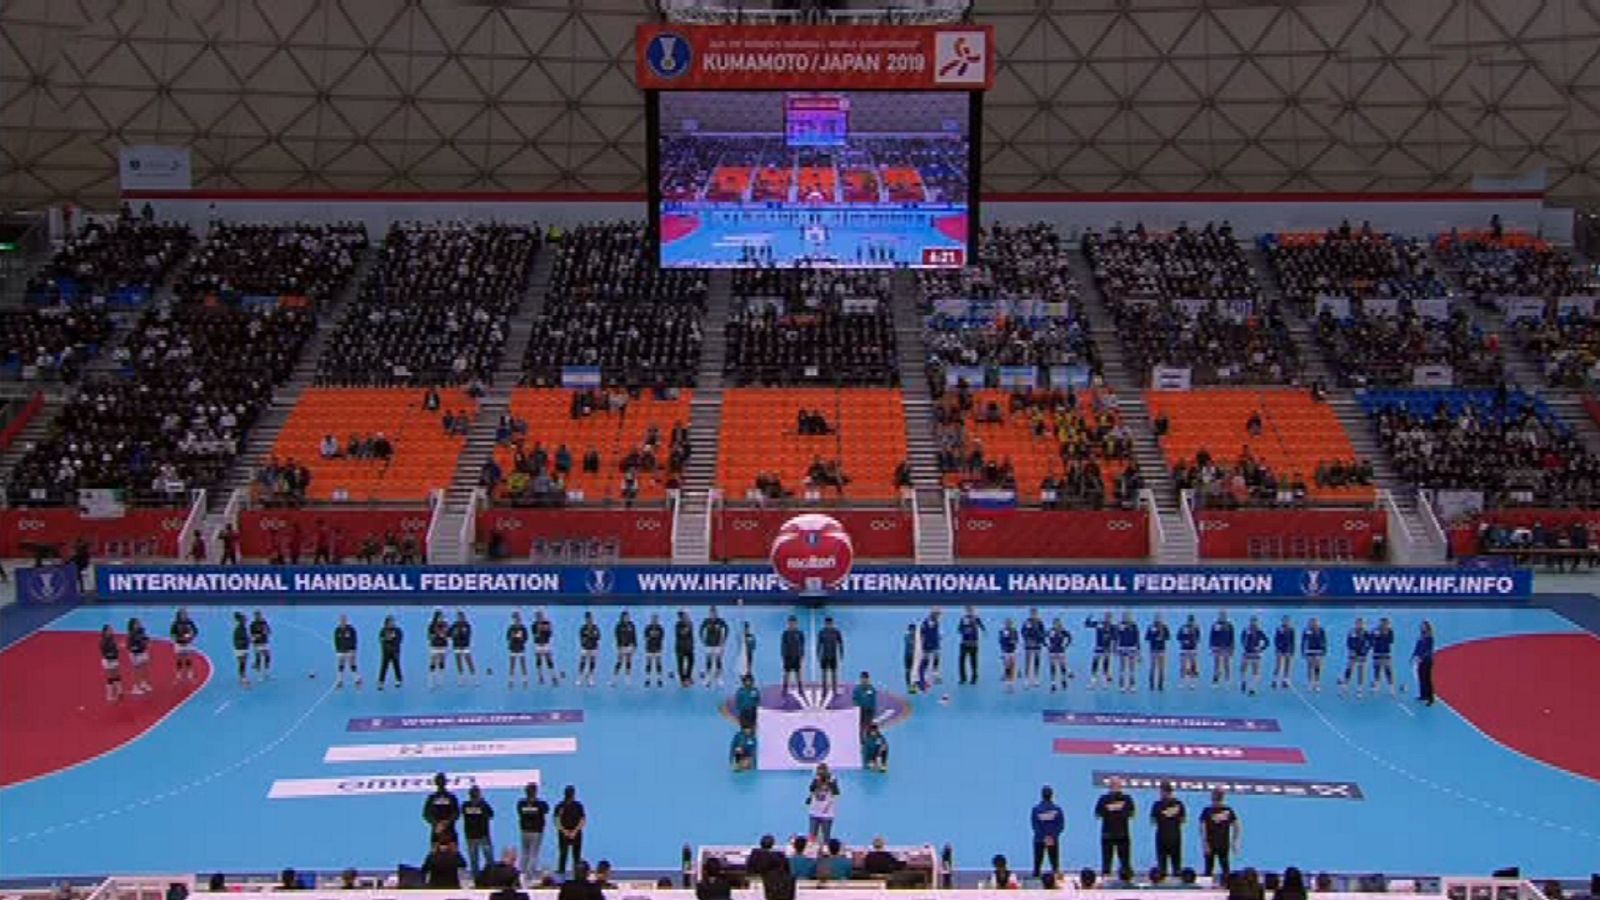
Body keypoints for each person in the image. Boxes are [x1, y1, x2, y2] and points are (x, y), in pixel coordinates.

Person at [1094, 776, 1135, 880]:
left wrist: (1118, 810)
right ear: (1109, 786)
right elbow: (1097, 813)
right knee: (1107, 860)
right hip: (1107, 834)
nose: (1115, 786)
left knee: (1125, 861)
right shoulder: (1103, 799)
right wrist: (1109, 809)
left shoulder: (1127, 798)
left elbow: (1132, 813)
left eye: (1117, 784)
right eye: (1113, 784)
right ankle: (1105, 878)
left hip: (1123, 834)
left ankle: (1126, 879)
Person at [1199, 789, 1240, 878]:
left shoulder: (1225, 810)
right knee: (1213, 869)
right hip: (1215, 843)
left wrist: (1234, 842)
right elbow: (1202, 828)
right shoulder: (1209, 810)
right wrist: (1234, 841)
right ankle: (1226, 883)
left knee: (1221, 869)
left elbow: (1237, 826)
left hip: (1218, 843)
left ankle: (1224, 882)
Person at [1151, 781, 1187, 878]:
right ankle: (1176, 879)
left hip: (1162, 836)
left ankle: (1163, 879)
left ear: (1164, 791)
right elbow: (1183, 820)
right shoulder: (1179, 804)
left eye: (1161, 791)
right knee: (1176, 865)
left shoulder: (1157, 805)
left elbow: (1153, 821)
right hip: (1174, 836)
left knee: (1163, 866)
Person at [515, 782, 549, 883]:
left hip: (525, 831)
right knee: (533, 854)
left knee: (525, 853)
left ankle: (522, 874)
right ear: (535, 792)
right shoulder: (540, 804)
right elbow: (546, 810)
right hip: (536, 832)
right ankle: (529, 876)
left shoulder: (521, 803)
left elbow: (520, 812)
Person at [462, 786, 496, 879]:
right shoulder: (483, 805)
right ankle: (492, 876)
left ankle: (476, 877)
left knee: (474, 859)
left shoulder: (465, 805)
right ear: (478, 794)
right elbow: (491, 814)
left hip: (471, 835)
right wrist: (483, 802)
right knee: (488, 857)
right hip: (483, 835)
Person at [1031, 785, 1065, 878]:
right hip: (1052, 839)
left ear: (1042, 795)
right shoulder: (1057, 809)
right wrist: (1051, 836)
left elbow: (1035, 825)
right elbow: (1060, 825)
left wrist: (1043, 837)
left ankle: (1036, 878)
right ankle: (1055, 878)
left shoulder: (1036, 809)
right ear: (1052, 795)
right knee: (1054, 863)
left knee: (1038, 863)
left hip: (1039, 839)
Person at [552, 785, 585, 875]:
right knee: (563, 854)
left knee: (576, 855)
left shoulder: (578, 806)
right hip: (565, 833)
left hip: (575, 833)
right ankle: (561, 872)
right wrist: (564, 831)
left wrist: (575, 831)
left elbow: (582, 820)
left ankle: (577, 873)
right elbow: (556, 820)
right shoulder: (560, 806)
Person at [423, 773, 462, 844]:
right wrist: (436, 823)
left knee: (453, 849)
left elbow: (457, 812)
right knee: (435, 849)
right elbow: (426, 814)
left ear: (445, 782)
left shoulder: (451, 797)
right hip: (437, 831)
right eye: (439, 781)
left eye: (442, 781)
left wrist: (447, 822)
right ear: (436, 783)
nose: (441, 783)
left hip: (450, 830)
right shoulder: (432, 798)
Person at [806, 764, 839, 843]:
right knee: (812, 836)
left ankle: (825, 848)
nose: (820, 773)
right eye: (819, 771)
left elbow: (836, 792)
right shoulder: (815, 780)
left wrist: (831, 781)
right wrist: (817, 780)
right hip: (814, 812)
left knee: (826, 838)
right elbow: (811, 788)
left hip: (827, 813)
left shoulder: (832, 781)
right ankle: (812, 849)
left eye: (822, 771)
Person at [1339, 617, 1371, 698]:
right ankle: (1345, 685)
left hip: (1362, 654)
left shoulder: (1367, 633)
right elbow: (1348, 642)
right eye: (1358, 623)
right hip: (1353, 653)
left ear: (1364, 624)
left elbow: (1370, 644)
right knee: (1349, 667)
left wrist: (1365, 652)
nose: (1360, 625)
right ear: (1356, 624)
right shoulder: (1351, 632)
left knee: (1360, 670)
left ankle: (1359, 688)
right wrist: (1351, 650)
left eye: (1361, 623)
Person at [700, 606, 728, 687]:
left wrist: (723, 641)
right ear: (709, 614)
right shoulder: (706, 621)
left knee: (718, 661)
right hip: (708, 645)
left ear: (717, 613)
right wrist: (703, 640)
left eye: (715, 613)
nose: (713, 615)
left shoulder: (721, 621)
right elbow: (701, 631)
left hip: (718, 645)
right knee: (709, 661)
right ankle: (708, 678)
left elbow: (726, 630)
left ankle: (719, 678)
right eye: (711, 613)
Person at [169, 609, 200, 684]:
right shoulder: (175, 623)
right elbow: (172, 634)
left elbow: (195, 631)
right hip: (179, 643)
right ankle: (178, 676)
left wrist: (191, 637)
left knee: (188, 659)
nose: (184, 615)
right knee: (179, 659)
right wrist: (178, 639)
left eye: (185, 614)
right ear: (179, 615)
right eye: (183, 614)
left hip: (188, 643)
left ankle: (190, 676)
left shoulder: (190, 622)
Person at [1085, 610, 1114, 689]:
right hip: (1098, 647)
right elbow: (1087, 624)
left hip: (1107, 648)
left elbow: (1115, 638)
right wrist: (1089, 617)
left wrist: (1109, 638)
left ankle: (1105, 681)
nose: (1107, 618)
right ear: (1104, 617)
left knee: (1105, 664)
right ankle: (1093, 680)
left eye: (1109, 617)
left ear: (1111, 618)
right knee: (1095, 662)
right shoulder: (1099, 624)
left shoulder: (1113, 627)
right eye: (1106, 616)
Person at [958, 605, 985, 684]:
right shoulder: (963, 619)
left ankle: (974, 678)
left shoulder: (976, 618)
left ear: (974, 610)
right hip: (964, 643)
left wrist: (982, 631)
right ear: (966, 611)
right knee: (962, 661)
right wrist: (965, 630)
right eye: (968, 610)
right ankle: (963, 678)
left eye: (971, 610)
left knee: (973, 661)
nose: (970, 611)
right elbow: (959, 629)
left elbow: (982, 627)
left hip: (973, 643)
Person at [1370, 617, 1398, 696]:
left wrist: (1383, 635)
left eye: (1385, 623)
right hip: (1377, 653)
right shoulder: (1374, 630)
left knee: (1387, 670)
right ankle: (1376, 686)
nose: (1383, 624)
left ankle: (1391, 687)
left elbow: (1391, 641)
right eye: (1382, 623)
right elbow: (1371, 641)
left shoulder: (1390, 631)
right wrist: (1375, 636)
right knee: (1377, 669)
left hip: (1386, 653)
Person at [1240, 616, 1268, 695]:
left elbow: (1267, 642)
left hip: (1256, 654)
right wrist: (1247, 642)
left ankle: (1253, 688)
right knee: (1243, 669)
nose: (1253, 623)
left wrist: (1261, 648)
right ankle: (1243, 682)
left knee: (1255, 671)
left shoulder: (1260, 632)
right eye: (1252, 621)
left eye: (1255, 622)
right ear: (1250, 622)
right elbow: (1242, 641)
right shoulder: (1246, 630)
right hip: (1247, 652)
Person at [817, 616, 844, 695]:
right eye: (827, 623)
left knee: (834, 673)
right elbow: (819, 644)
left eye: (830, 623)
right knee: (824, 673)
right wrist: (818, 653)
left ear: (832, 623)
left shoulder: (837, 632)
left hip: (833, 656)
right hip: (824, 656)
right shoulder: (821, 632)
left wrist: (841, 653)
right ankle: (824, 690)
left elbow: (840, 643)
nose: (829, 625)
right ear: (825, 624)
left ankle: (834, 690)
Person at [1020, 608, 1046, 689]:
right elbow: (1023, 632)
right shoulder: (1027, 622)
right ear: (1030, 614)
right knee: (1028, 662)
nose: (1034, 615)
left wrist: (1041, 641)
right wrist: (1027, 640)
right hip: (1028, 645)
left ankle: (1036, 679)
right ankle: (1026, 680)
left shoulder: (1040, 622)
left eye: (1035, 613)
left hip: (1037, 645)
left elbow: (1043, 633)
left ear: (1037, 614)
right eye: (1032, 613)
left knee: (1037, 661)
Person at [1412, 620, 1436, 706]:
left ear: (1428, 627)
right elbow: (1417, 647)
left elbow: (1428, 650)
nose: (1422, 627)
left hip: (1427, 660)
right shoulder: (1421, 636)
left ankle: (1431, 698)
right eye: (1421, 626)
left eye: (1424, 626)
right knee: (1421, 677)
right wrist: (1413, 656)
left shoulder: (1430, 637)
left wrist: (1421, 657)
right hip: (1420, 660)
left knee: (1427, 679)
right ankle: (1423, 695)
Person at [126, 617, 152, 695]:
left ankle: (144, 683)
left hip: (143, 651)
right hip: (135, 654)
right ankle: (135, 687)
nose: (138, 624)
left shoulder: (142, 631)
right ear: (132, 625)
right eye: (136, 623)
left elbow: (145, 638)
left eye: (139, 623)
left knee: (145, 668)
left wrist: (148, 641)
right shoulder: (131, 635)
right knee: (136, 670)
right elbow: (129, 647)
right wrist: (136, 648)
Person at [1116, 612, 1141, 692]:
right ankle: (1121, 685)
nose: (1126, 617)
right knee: (1122, 667)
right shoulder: (1120, 625)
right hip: (1122, 647)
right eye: (1125, 616)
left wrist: (1138, 652)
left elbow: (1137, 638)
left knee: (1132, 667)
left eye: (1128, 616)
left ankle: (1132, 685)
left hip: (1132, 648)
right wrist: (1116, 648)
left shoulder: (1134, 626)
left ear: (1131, 617)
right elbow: (1116, 637)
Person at [451, 610, 477, 686]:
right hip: (456, 646)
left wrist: (461, 635)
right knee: (459, 662)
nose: (460, 618)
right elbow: (449, 634)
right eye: (459, 617)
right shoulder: (454, 625)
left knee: (469, 661)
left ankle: (474, 678)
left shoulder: (467, 625)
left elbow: (468, 636)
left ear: (464, 617)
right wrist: (454, 634)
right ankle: (461, 679)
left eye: (462, 617)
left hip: (465, 646)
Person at [334, 614, 360, 689]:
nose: (343, 621)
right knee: (341, 665)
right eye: (342, 620)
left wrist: (354, 649)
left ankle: (357, 679)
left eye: (344, 620)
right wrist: (337, 650)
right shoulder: (337, 630)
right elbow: (336, 640)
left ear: (346, 620)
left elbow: (355, 639)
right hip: (341, 650)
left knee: (352, 664)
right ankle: (340, 680)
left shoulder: (351, 629)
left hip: (350, 650)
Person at [1209, 611, 1235, 687]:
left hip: (1226, 647)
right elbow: (1212, 636)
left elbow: (1232, 637)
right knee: (1216, 664)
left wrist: (1232, 648)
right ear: (1219, 616)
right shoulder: (1215, 625)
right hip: (1217, 647)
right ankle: (1216, 679)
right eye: (1221, 615)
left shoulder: (1229, 625)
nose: (1222, 617)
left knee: (1226, 664)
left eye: (1224, 615)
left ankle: (1227, 680)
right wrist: (1211, 646)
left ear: (1226, 616)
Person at [611, 610, 636, 687]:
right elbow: (617, 636)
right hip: (622, 646)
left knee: (628, 662)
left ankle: (628, 680)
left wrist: (634, 645)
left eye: (628, 617)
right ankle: (614, 680)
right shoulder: (619, 626)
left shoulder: (631, 625)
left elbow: (634, 636)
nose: (627, 618)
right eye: (625, 617)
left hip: (629, 646)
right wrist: (618, 646)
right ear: (622, 617)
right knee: (619, 662)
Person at [1146, 613, 1171, 691]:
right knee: (1152, 667)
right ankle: (1151, 685)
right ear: (1154, 618)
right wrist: (1154, 638)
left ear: (1161, 619)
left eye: (1159, 617)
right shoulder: (1150, 627)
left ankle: (1160, 685)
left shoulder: (1164, 627)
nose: (1158, 619)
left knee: (1161, 668)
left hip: (1161, 650)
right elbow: (1147, 637)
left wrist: (1162, 638)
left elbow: (1168, 637)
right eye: (1156, 617)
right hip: (1153, 650)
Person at [918, 609, 943, 687]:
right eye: (938, 615)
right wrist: (923, 644)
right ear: (934, 615)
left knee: (937, 657)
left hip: (935, 643)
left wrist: (939, 636)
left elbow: (935, 632)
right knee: (926, 660)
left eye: (939, 615)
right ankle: (924, 677)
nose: (939, 617)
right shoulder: (926, 622)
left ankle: (935, 676)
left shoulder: (936, 622)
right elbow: (922, 633)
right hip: (927, 644)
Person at [378, 614, 404, 689]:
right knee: (384, 666)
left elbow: (399, 640)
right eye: (390, 622)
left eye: (393, 621)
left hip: (395, 651)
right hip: (386, 652)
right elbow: (381, 640)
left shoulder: (398, 630)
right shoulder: (383, 630)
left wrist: (393, 642)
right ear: (387, 623)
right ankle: (381, 682)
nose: (392, 623)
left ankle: (398, 680)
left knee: (396, 665)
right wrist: (387, 640)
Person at [1301, 617, 1326, 692]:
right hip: (1309, 650)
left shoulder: (1321, 630)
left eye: (1315, 622)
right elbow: (1303, 641)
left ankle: (1317, 683)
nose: (1314, 624)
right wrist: (1302, 651)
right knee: (1310, 666)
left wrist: (1324, 651)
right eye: (1312, 622)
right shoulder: (1306, 630)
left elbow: (1324, 641)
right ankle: (1310, 683)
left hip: (1318, 650)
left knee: (1317, 666)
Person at [780, 615, 805, 692]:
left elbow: (802, 645)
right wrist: (783, 655)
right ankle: (785, 688)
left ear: (796, 623)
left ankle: (800, 688)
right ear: (788, 623)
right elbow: (783, 645)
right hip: (788, 656)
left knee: (798, 673)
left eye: (793, 622)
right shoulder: (785, 633)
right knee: (786, 673)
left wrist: (802, 655)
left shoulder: (800, 633)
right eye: (790, 622)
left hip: (797, 656)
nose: (792, 624)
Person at [1047, 617, 1072, 692]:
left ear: (1060, 623)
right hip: (1052, 651)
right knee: (1053, 667)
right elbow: (1043, 637)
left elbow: (1070, 638)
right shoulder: (1050, 631)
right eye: (1055, 623)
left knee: (1062, 666)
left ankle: (1063, 680)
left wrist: (1066, 645)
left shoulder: (1063, 631)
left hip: (1061, 651)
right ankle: (1053, 683)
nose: (1056, 625)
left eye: (1057, 623)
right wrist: (1047, 645)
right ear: (1053, 624)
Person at [100, 624, 123, 702]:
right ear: (105, 631)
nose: (112, 631)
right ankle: (109, 695)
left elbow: (114, 648)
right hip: (109, 660)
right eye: (110, 629)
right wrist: (114, 653)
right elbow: (105, 653)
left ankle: (119, 691)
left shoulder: (112, 638)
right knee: (111, 677)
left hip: (114, 659)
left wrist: (117, 649)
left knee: (116, 675)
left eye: (111, 629)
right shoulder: (104, 641)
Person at [507, 611, 531, 690]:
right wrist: (513, 638)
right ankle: (511, 681)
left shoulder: (523, 628)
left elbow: (526, 638)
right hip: (513, 649)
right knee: (512, 665)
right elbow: (508, 638)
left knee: (523, 665)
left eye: (518, 619)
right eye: (515, 619)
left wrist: (521, 639)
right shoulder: (511, 628)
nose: (516, 620)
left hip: (521, 648)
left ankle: (525, 681)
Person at [427, 609, 451, 689]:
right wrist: (436, 635)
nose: (441, 618)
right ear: (436, 617)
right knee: (433, 661)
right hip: (434, 645)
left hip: (443, 645)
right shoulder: (432, 625)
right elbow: (429, 636)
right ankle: (431, 680)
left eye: (442, 616)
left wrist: (445, 636)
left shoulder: (446, 624)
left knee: (442, 661)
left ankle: (440, 680)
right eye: (440, 617)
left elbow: (449, 635)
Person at [1177, 614, 1202, 689]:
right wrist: (1184, 641)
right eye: (1189, 620)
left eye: (1192, 621)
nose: (1190, 622)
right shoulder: (1183, 627)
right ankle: (1182, 682)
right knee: (1183, 665)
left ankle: (1192, 683)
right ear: (1187, 620)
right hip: (1183, 648)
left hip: (1192, 649)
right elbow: (1178, 637)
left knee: (1192, 665)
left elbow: (1198, 638)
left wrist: (1192, 642)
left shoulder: (1196, 628)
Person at [577, 612, 601, 687]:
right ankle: (580, 678)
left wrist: (592, 637)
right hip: (585, 648)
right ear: (586, 619)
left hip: (593, 647)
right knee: (583, 662)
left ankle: (591, 678)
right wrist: (585, 643)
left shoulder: (595, 628)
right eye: (588, 619)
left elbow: (598, 637)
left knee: (592, 662)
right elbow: (581, 638)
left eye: (591, 618)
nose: (590, 620)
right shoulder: (583, 628)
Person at [533, 610, 557, 685]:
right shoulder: (534, 625)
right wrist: (539, 628)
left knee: (549, 661)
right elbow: (536, 635)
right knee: (538, 661)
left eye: (540, 616)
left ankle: (553, 677)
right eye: (537, 616)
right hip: (538, 645)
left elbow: (550, 634)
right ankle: (540, 677)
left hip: (546, 644)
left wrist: (548, 627)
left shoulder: (547, 623)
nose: (539, 617)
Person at [1271, 616, 1295, 690]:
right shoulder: (1279, 629)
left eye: (1287, 621)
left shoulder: (1291, 630)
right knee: (1278, 665)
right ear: (1282, 621)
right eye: (1284, 621)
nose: (1286, 622)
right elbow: (1276, 639)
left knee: (1287, 666)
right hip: (1280, 650)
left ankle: (1285, 681)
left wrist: (1292, 651)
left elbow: (1292, 641)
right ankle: (1274, 680)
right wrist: (1278, 649)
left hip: (1288, 650)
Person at [674, 609, 696, 688]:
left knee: (691, 661)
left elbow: (691, 636)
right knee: (681, 664)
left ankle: (688, 677)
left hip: (689, 647)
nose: (688, 616)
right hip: (680, 648)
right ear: (682, 617)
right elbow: (682, 633)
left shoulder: (690, 623)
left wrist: (692, 645)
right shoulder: (678, 625)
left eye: (688, 615)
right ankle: (682, 680)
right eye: (686, 615)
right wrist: (687, 627)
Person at [644, 612, 666, 688]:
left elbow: (662, 638)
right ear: (651, 620)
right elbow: (646, 637)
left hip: (658, 648)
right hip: (649, 648)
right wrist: (652, 636)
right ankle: (648, 679)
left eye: (656, 619)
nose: (654, 620)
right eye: (653, 619)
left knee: (658, 663)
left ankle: (659, 679)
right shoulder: (647, 628)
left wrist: (654, 636)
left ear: (658, 620)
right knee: (648, 663)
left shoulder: (660, 628)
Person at [249, 610, 272, 679]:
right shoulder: (252, 624)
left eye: (259, 615)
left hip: (264, 642)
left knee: (267, 657)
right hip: (257, 643)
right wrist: (258, 635)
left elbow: (269, 631)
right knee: (258, 659)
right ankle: (258, 675)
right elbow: (252, 635)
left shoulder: (264, 623)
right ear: (254, 616)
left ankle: (266, 673)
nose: (258, 616)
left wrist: (267, 631)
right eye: (257, 615)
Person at [999, 618, 1020, 692]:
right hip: (1005, 652)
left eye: (1009, 623)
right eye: (1006, 623)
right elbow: (1001, 641)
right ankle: (1008, 684)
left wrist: (1013, 642)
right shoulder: (1002, 631)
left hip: (1012, 651)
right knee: (1007, 667)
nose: (1008, 624)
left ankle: (1011, 684)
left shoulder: (1014, 631)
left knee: (1012, 667)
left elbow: (1016, 640)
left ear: (1011, 624)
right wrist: (1002, 652)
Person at [231, 612, 251, 688]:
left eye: (245, 620)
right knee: (242, 663)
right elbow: (236, 641)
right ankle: (242, 678)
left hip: (244, 648)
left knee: (244, 663)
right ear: (241, 620)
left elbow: (245, 638)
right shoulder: (238, 629)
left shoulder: (244, 628)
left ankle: (243, 677)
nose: (246, 621)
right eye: (245, 620)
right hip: (240, 648)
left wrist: (248, 640)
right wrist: (247, 641)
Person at [902, 622, 920, 692]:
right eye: (911, 630)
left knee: (915, 671)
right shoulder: (907, 637)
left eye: (914, 630)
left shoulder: (918, 637)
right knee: (908, 671)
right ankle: (909, 686)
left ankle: (915, 685)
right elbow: (912, 644)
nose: (912, 631)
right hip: (908, 656)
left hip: (915, 657)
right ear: (909, 630)